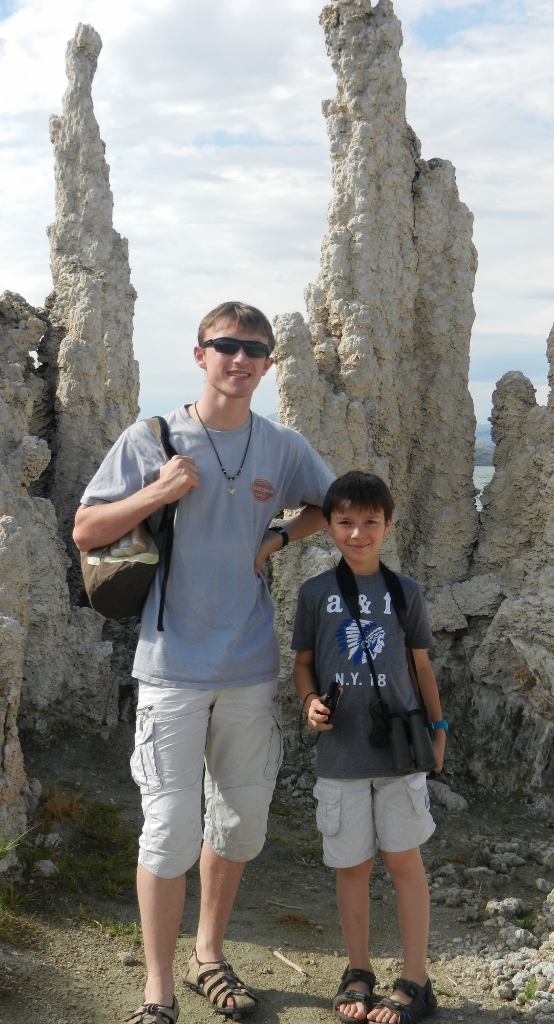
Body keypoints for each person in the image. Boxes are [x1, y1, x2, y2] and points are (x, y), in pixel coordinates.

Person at [73, 301, 335, 1024]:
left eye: (255, 350)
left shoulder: (281, 447)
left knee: (241, 821)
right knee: (167, 830)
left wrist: (278, 539)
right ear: (200, 355)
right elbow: (86, 528)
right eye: (226, 346)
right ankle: (159, 990)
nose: (240, 360)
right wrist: (158, 490)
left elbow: (339, 501)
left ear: (270, 365)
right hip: (170, 669)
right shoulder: (151, 437)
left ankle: (209, 955)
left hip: (249, 668)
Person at [291, 471, 448, 1024]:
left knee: (405, 862)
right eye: (345, 522)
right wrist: (309, 702)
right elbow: (303, 665)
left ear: (388, 525)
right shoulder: (314, 594)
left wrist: (440, 727)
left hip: (399, 753)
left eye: (370, 523)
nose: (357, 533)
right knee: (352, 866)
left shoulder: (405, 592)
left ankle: (416, 979)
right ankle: (357, 970)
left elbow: (422, 666)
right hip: (340, 756)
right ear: (329, 525)